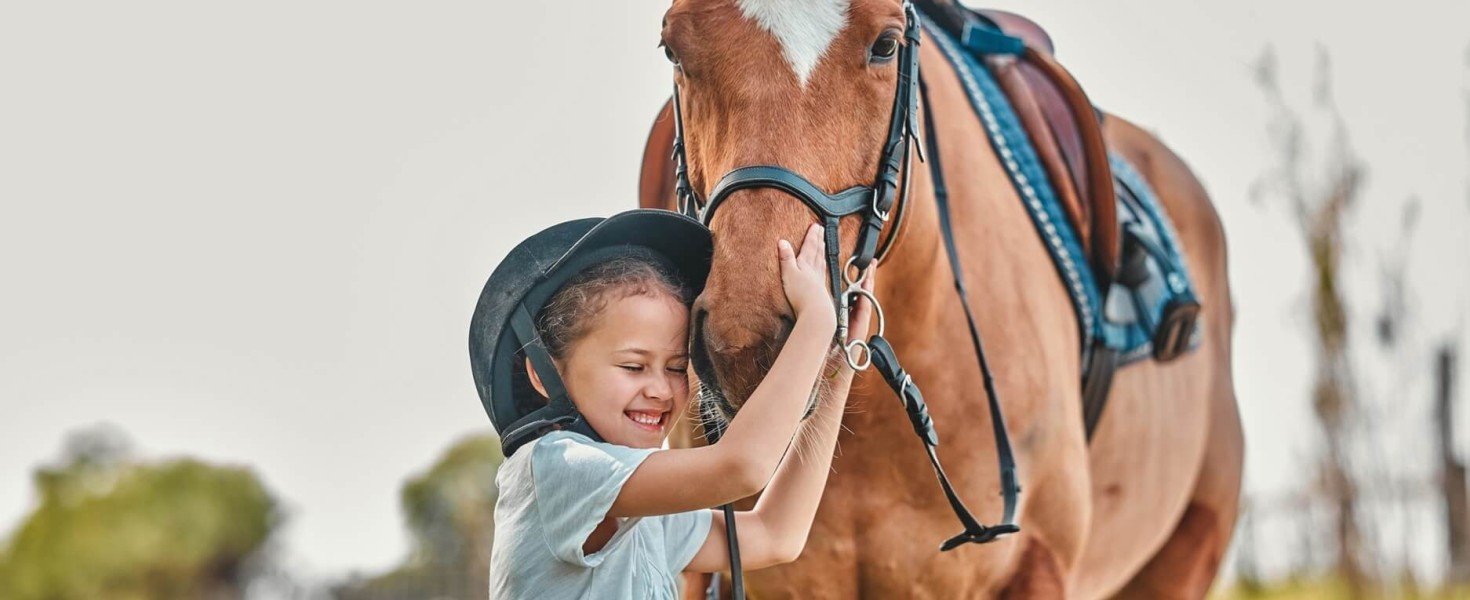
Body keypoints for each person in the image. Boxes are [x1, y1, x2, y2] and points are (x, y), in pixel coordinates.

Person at [468, 209, 872, 599]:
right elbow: (742, 467)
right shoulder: (555, 469)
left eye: (677, 368)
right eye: (633, 366)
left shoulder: (647, 520)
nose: (661, 390)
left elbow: (775, 535)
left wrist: (836, 371)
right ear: (543, 374)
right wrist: (816, 320)